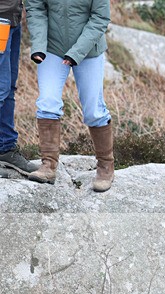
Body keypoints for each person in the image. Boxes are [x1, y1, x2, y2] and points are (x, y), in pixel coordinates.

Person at [26, 0, 115, 192]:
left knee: (94, 111)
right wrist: (39, 45)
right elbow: (35, 7)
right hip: (53, 48)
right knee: (47, 103)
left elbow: (100, 18)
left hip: (89, 50)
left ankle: (105, 167)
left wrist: (77, 52)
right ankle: (48, 166)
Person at [0, 0, 39, 177]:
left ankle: (6, 148)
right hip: (1, 19)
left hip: (13, 19)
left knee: (8, 89)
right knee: (1, 89)